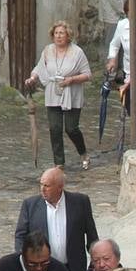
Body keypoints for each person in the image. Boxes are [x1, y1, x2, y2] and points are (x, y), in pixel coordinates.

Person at [24, 21, 93, 170]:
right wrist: (33, 78)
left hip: (72, 95)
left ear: (68, 35)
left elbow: (87, 74)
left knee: (71, 128)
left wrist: (72, 80)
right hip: (53, 93)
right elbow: (39, 67)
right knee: (55, 128)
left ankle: (84, 154)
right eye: (56, 33)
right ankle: (59, 163)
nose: (58, 36)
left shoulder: (77, 52)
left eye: (62, 33)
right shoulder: (48, 51)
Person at [14, 166, 98, 271]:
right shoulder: (30, 205)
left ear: (60, 187)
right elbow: (20, 236)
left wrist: (96, 259)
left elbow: (91, 234)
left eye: (47, 186)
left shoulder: (80, 202)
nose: (42, 189)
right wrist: (24, 261)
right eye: (41, 184)